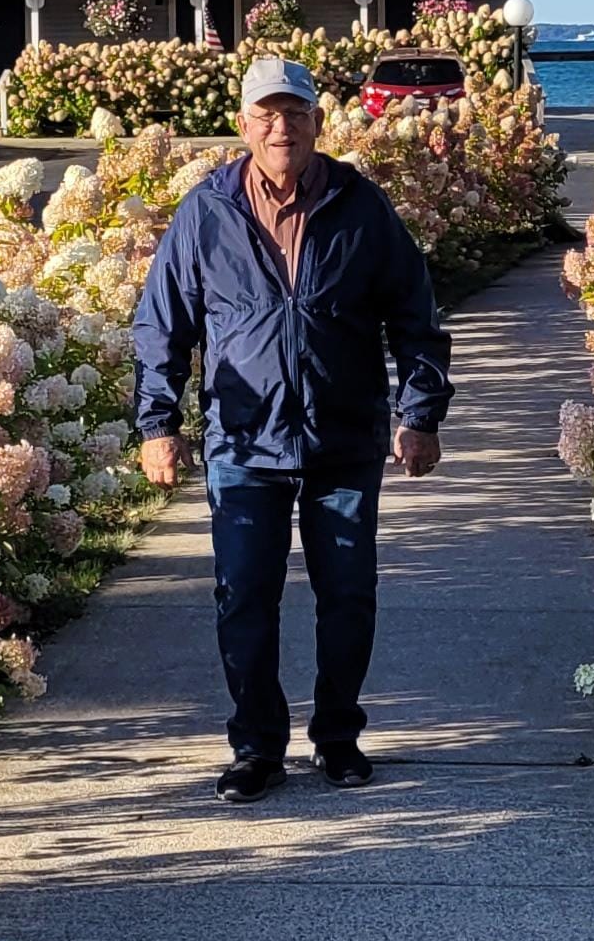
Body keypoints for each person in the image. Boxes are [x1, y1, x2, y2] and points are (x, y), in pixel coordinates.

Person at [132, 56, 453, 804]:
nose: (283, 127)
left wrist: (421, 414)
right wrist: (157, 422)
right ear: (243, 125)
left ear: (318, 123)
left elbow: (415, 316)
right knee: (245, 595)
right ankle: (256, 748)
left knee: (348, 596)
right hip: (244, 444)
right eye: (267, 114)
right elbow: (163, 325)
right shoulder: (205, 213)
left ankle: (337, 738)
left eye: (296, 113)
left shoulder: (360, 205)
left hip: (343, 440)